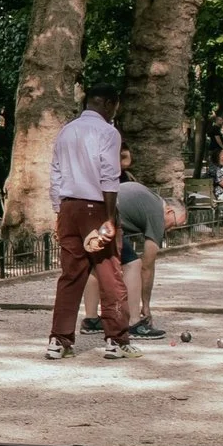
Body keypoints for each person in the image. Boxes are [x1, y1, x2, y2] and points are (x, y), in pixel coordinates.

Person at [46, 83, 137, 360]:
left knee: (70, 276)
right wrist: (109, 218)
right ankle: (117, 340)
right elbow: (109, 175)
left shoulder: (66, 131)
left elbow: (55, 173)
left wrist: (58, 209)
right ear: (109, 104)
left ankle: (59, 341)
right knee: (110, 273)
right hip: (95, 205)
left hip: (68, 207)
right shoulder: (108, 132)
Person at [82, 146, 183, 340]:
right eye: (176, 223)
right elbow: (148, 265)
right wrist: (147, 304)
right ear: (169, 210)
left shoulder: (147, 199)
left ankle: (91, 320)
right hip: (108, 217)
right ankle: (135, 322)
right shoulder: (156, 212)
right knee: (134, 264)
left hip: (93, 212)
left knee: (94, 265)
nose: (172, 229)